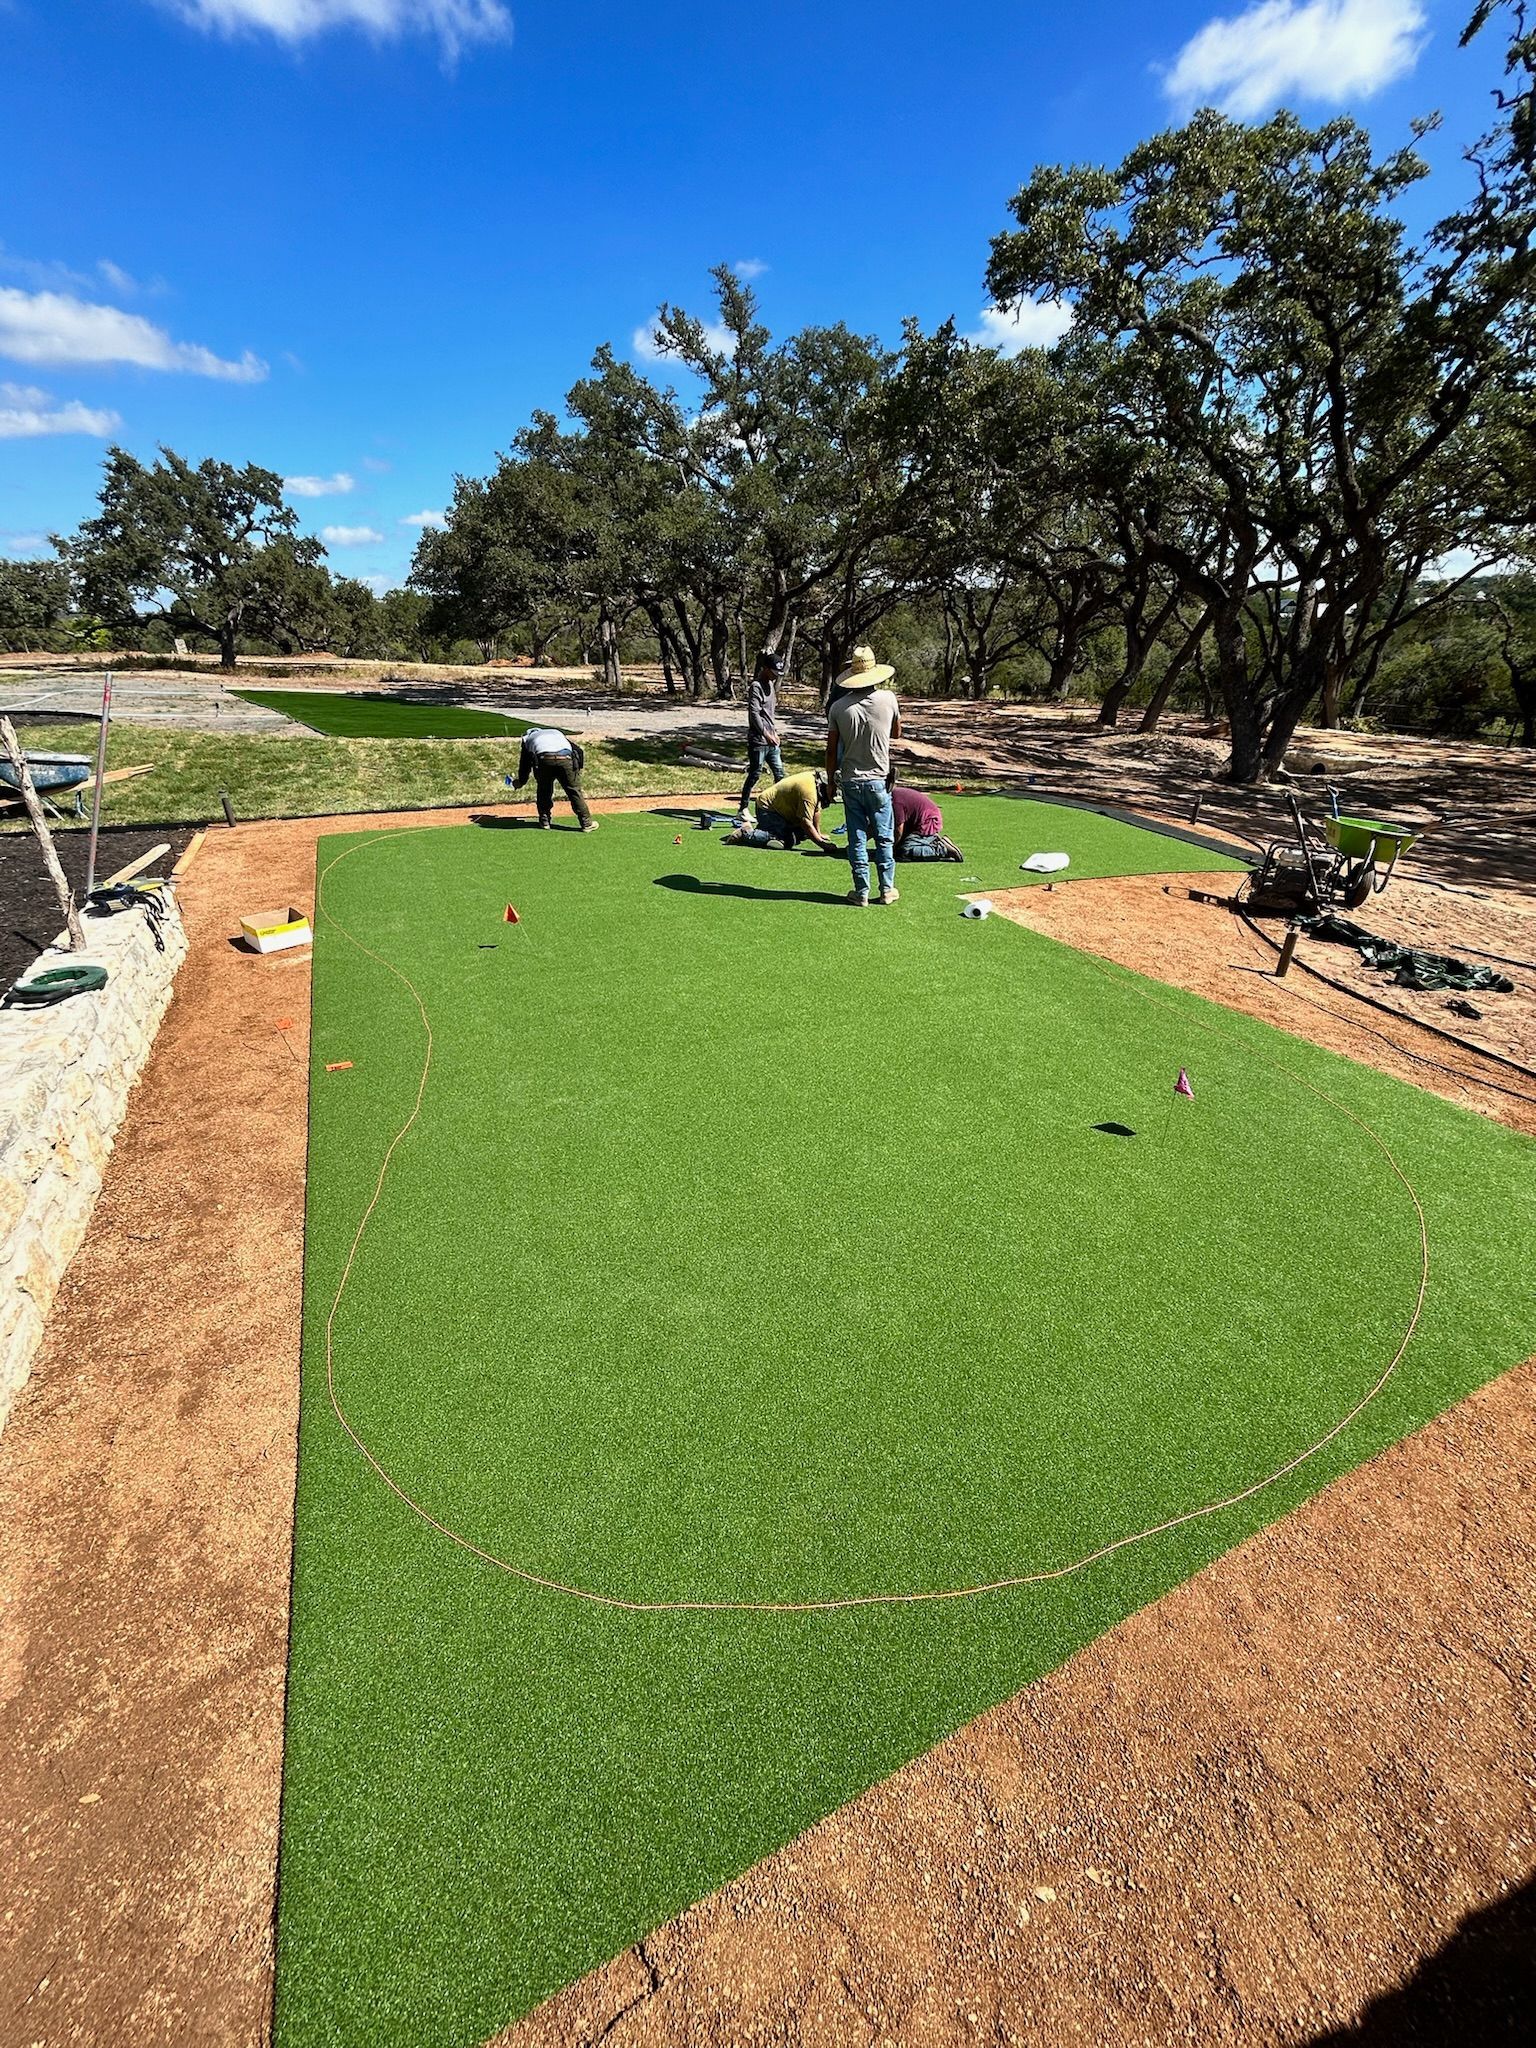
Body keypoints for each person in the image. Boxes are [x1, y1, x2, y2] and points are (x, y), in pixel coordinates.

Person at [826, 646, 901, 906]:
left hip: (850, 781)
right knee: (883, 836)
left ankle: (861, 891)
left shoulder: (837, 708)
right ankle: (887, 888)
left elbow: (831, 750)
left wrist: (829, 782)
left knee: (856, 837)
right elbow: (896, 733)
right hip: (879, 780)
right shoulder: (888, 699)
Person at [724, 768, 841, 853]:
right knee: (782, 840)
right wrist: (823, 845)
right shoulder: (809, 793)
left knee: (803, 835)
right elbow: (805, 822)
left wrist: (818, 834)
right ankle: (745, 833)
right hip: (768, 809)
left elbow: (816, 810)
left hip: (782, 811)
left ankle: (767, 830)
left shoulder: (816, 783)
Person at [734, 650, 786, 826]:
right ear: (765, 669)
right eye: (773, 673)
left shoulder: (771, 685)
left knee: (780, 774)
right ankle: (743, 809)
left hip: (772, 739)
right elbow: (754, 714)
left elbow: (769, 714)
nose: (775, 677)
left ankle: (779, 807)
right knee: (755, 773)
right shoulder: (756, 686)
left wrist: (774, 732)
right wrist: (766, 733)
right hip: (759, 740)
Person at [511, 725, 596, 831]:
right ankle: (586, 823)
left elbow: (525, 764)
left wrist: (521, 782)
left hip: (544, 759)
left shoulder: (527, 739)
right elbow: (579, 751)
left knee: (544, 790)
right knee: (574, 791)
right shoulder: (557, 734)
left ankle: (545, 821)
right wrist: (577, 769)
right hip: (565, 759)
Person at [891, 784, 963, 862]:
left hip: (928, 822)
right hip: (920, 821)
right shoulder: (893, 795)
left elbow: (898, 829)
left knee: (904, 852)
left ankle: (941, 848)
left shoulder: (895, 801)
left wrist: (890, 849)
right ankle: (931, 841)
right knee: (898, 849)